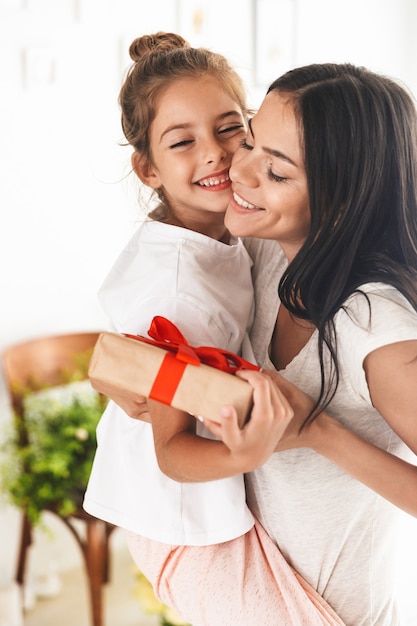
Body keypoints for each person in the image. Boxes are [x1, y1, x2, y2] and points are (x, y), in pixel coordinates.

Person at [83, 33, 344, 626]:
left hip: (192, 516)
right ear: (147, 167)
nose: (216, 154)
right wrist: (250, 449)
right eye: (183, 142)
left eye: (231, 129)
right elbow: (174, 452)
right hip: (182, 524)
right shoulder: (179, 286)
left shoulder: (222, 233)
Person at [207, 62, 417, 625]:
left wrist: (319, 434)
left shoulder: (375, 325)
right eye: (249, 140)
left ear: (341, 202)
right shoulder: (264, 254)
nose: (240, 171)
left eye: (276, 173)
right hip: (255, 595)